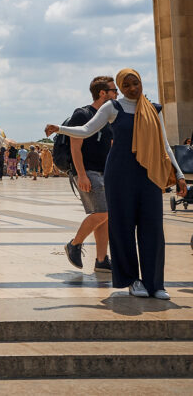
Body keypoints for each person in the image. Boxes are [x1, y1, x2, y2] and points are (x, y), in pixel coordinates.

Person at [46, 69, 187, 299]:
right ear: (120, 88)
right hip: (120, 174)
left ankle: (155, 284)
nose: (133, 88)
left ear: (141, 83)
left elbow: (164, 145)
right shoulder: (112, 108)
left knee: (152, 227)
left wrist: (179, 174)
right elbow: (86, 130)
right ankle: (132, 280)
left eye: (136, 83)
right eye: (127, 85)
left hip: (150, 174)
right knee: (123, 227)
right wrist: (59, 129)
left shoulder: (154, 109)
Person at [59, 75, 116, 273]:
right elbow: (75, 147)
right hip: (88, 171)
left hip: (105, 172)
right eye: (114, 90)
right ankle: (74, 244)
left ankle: (101, 260)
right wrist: (81, 175)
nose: (117, 94)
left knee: (104, 217)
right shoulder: (82, 114)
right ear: (103, 93)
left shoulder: (108, 117)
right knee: (104, 212)